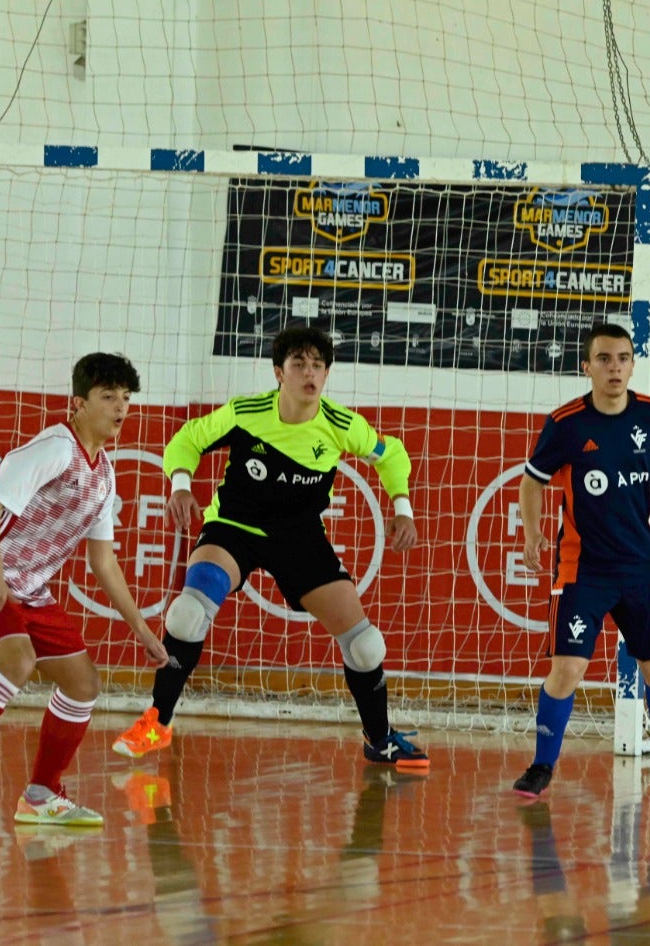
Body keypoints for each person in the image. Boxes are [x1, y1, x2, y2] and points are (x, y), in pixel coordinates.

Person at [111, 325, 425, 768]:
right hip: (233, 528)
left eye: (318, 365)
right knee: (187, 614)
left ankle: (380, 738)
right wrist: (181, 485)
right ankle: (157, 722)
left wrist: (403, 507)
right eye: (298, 364)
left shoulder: (340, 424)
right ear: (279, 372)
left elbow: (390, 454)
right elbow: (188, 438)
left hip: (299, 539)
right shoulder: (246, 412)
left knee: (366, 646)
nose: (309, 373)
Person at [0, 353, 168, 827]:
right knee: (16, 661)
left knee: (83, 683)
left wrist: (143, 630)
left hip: (30, 589)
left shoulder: (105, 474)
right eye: (108, 396)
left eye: (126, 398)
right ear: (78, 403)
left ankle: (42, 794)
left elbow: (103, 561)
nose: (120, 407)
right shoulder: (54, 448)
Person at [510, 323, 650, 801]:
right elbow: (531, 480)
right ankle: (541, 767)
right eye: (604, 359)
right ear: (587, 366)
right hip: (582, 569)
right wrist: (533, 530)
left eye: (623, 358)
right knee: (568, 669)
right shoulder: (566, 423)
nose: (614, 367)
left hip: (639, 567)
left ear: (632, 364)